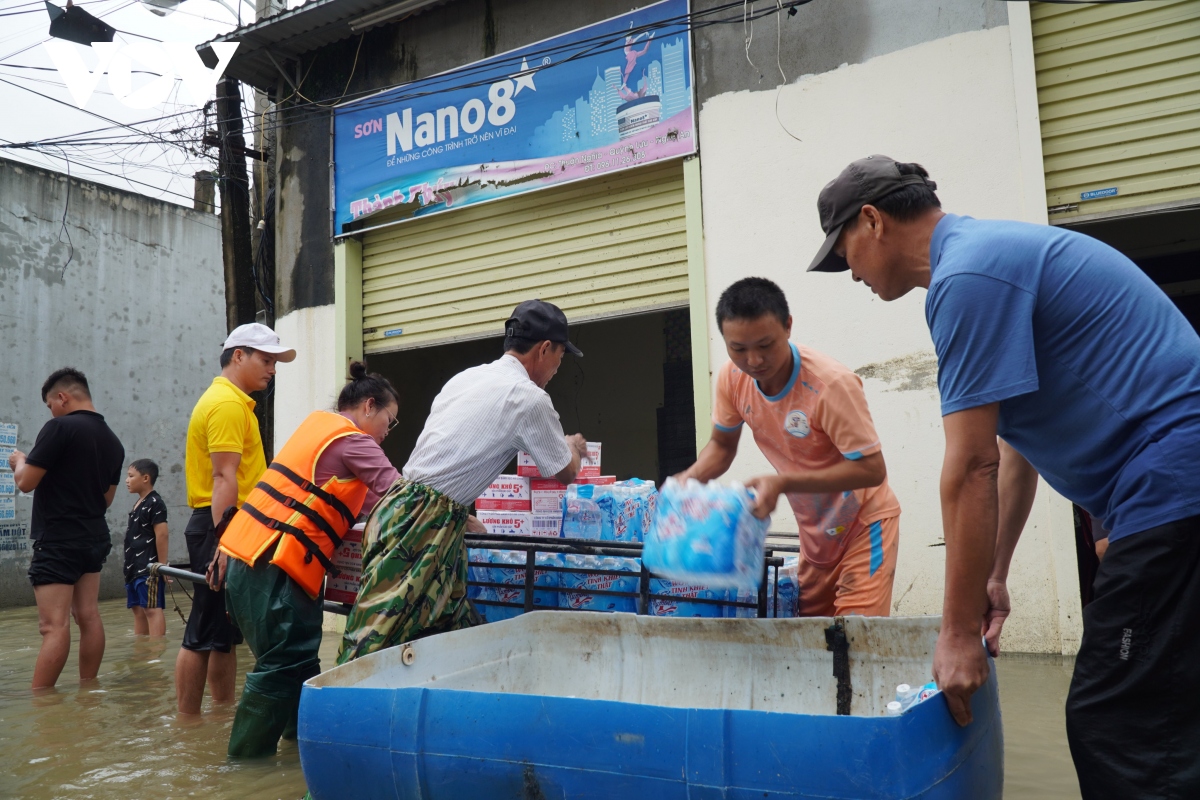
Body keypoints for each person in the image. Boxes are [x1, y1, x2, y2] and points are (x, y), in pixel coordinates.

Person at [807, 154, 1200, 797]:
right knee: (1166, 707)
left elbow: (970, 466)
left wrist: (957, 632)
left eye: (842, 250)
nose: (847, 272)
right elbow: (1015, 453)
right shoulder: (981, 260)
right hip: (1164, 486)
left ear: (873, 221)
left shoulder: (968, 277)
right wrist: (993, 574)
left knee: (1116, 717)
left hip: (1173, 481)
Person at [338, 300, 589, 664]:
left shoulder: (467, 378)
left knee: (447, 629)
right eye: (561, 357)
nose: (557, 368)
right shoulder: (529, 398)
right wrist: (573, 446)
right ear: (545, 349)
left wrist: (459, 516)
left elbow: (443, 460)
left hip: (406, 509)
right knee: (373, 641)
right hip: (420, 524)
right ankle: (334, 714)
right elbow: (566, 471)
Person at [678, 278, 901, 617]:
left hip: (863, 524)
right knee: (810, 643)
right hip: (816, 534)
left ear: (788, 326)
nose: (753, 360)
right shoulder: (731, 379)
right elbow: (722, 447)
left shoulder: (830, 384)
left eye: (765, 345)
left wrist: (783, 483)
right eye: (738, 349)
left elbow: (871, 469)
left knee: (855, 641)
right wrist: (689, 480)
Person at [219, 362, 402, 758]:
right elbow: (403, 497)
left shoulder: (317, 427)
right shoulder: (354, 440)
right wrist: (462, 516)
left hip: (244, 560)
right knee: (283, 664)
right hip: (278, 568)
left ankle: (301, 749)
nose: (388, 433)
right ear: (369, 406)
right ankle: (245, 768)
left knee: (297, 663)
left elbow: (370, 502)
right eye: (390, 420)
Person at [176, 323, 295, 716]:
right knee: (203, 630)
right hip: (222, 524)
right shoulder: (227, 404)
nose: (272, 369)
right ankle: (188, 727)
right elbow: (224, 478)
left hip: (229, 524)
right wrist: (224, 544)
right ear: (238, 355)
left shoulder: (232, 401)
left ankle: (221, 713)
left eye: (275, 362)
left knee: (222, 635)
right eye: (266, 360)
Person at [8, 368, 124, 689]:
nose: (51, 411)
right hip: (94, 537)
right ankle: (88, 689)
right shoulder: (112, 440)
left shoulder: (58, 427)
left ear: (62, 397)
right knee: (88, 616)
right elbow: (106, 498)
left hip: (59, 539)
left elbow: (26, 483)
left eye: (50, 404)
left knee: (53, 627)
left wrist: (20, 461)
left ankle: (42, 704)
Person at [123, 458, 169, 637]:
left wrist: (162, 566)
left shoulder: (155, 502)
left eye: (131, 476)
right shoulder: (138, 504)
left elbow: (162, 534)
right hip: (133, 567)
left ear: (145, 478)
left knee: (151, 609)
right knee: (138, 610)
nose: (127, 480)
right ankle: (142, 653)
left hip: (148, 567)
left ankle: (155, 653)